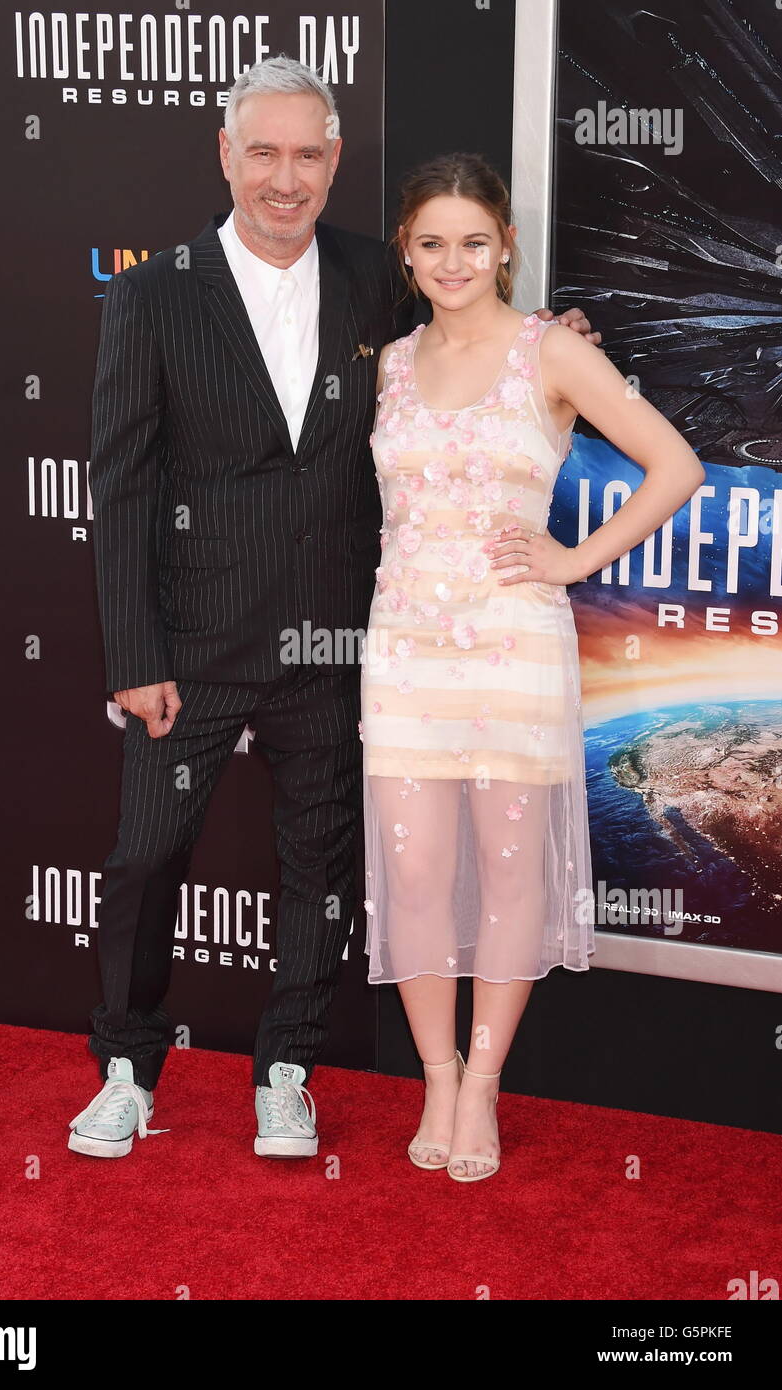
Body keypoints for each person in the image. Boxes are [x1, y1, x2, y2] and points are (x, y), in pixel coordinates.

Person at [67, 57, 600, 1160]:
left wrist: (573, 337)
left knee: (318, 868)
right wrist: (134, 650)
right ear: (225, 155)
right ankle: (126, 1067)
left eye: (308, 153)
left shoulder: (376, 275)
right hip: (195, 643)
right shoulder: (154, 292)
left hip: (339, 640)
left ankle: (289, 1071)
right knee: (145, 854)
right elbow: (118, 484)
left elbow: (479, 326)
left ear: (335, 160)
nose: (285, 177)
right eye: (262, 152)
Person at [361, 153, 705, 1182]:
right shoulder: (389, 363)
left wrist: (574, 559)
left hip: (513, 649)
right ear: (408, 254)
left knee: (509, 874)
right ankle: (435, 1068)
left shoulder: (549, 353)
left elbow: (675, 464)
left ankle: (483, 1085)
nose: (453, 260)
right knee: (416, 871)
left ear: (505, 245)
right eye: (432, 243)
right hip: (404, 653)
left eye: (474, 241)